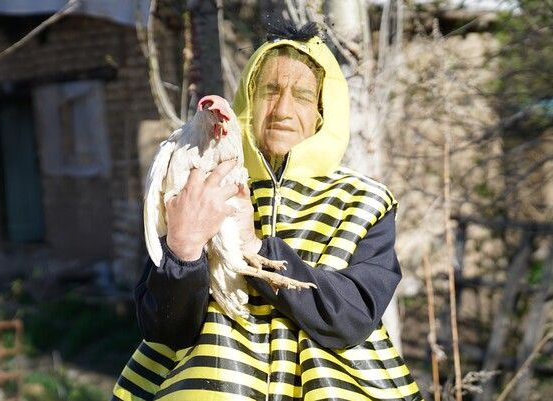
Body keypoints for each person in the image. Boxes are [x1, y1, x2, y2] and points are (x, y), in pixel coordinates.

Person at [111, 21, 423, 401]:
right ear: (248, 100)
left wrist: (254, 246)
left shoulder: (363, 201)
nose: (282, 110)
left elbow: (352, 317)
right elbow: (163, 330)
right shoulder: (201, 185)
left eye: (303, 96)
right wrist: (183, 248)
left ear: (324, 112)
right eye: (270, 91)